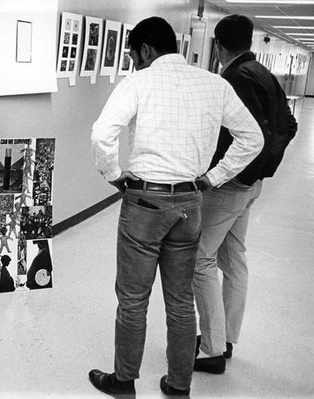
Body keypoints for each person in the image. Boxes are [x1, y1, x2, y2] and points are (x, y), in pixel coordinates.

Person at [88, 16, 264, 398]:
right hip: (190, 202)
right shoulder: (214, 84)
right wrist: (213, 177)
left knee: (133, 299)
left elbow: (103, 133)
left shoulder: (138, 82)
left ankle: (123, 382)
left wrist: (114, 174)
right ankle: (179, 385)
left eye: (134, 55)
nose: (134, 63)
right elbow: (252, 138)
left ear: (146, 50)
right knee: (181, 300)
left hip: (144, 203)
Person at [192, 14, 297, 374]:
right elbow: (289, 125)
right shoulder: (264, 74)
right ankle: (224, 338)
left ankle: (211, 350)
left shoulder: (235, 78)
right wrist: (263, 169)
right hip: (250, 186)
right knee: (233, 258)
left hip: (230, 185)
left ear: (218, 45)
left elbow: (252, 137)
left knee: (200, 260)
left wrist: (228, 174)